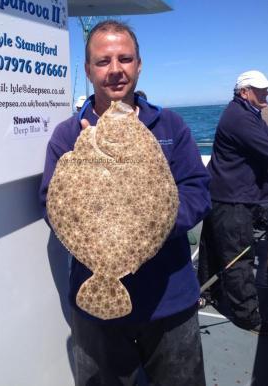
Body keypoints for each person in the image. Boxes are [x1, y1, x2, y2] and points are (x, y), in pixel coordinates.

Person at [39, 20, 211, 386]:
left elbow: (197, 191)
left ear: (139, 64)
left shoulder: (171, 127)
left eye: (125, 59)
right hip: (95, 308)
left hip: (170, 300)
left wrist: (148, 223)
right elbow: (50, 204)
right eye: (103, 61)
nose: (115, 70)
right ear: (87, 70)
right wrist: (88, 169)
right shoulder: (69, 135)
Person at [198, 70, 268, 334]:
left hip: (223, 193)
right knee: (239, 258)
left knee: (214, 250)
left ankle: (211, 292)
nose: (265, 93)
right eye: (260, 90)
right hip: (232, 199)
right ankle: (248, 316)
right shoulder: (241, 118)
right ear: (244, 92)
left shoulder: (242, 112)